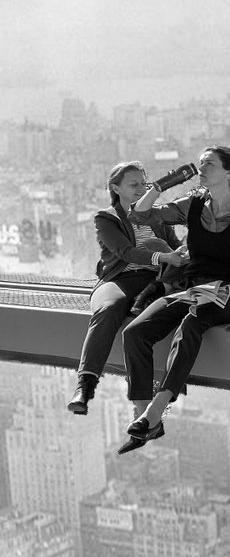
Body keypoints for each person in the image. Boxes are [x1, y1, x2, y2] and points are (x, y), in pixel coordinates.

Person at [119, 146, 230, 454]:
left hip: (229, 294)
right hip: (192, 290)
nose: (202, 168)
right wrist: (159, 186)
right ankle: (144, 414)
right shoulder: (193, 204)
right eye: (201, 164)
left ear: (229, 172)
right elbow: (140, 215)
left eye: (209, 164)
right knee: (135, 333)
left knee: (192, 322)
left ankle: (158, 408)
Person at [67, 162, 183, 415]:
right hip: (120, 279)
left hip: (158, 281)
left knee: (164, 315)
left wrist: (182, 252)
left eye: (144, 183)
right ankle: (85, 386)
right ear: (115, 187)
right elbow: (125, 252)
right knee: (109, 309)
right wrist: (162, 258)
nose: (141, 189)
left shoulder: (156, 215)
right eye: (134, 184)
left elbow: (173, 246)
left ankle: (151, 402)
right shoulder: (107, 218)